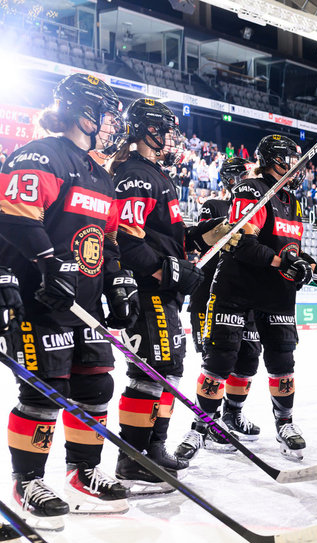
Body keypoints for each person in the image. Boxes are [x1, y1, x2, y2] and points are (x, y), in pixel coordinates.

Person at [0, 73, 132, 528]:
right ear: (85, 113)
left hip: (85, 306)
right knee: (44, 392)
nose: (113, 125)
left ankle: (83, 472)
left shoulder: (101, 175)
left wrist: (118, 282)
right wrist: (46, 263)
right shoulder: (41, 154)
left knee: (96, 388)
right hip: (42, 301)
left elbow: (108, 243)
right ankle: (28, 481)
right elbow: (14, 218)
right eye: (108, 115)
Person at [178, 134, 317, 462]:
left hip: (276, 294)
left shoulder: (292, 201)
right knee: (219, 360)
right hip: (236, 290)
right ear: (275, 160)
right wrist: (285, 263)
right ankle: (201, 427)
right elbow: (242, 244)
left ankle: (285, 423)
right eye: (292, 161)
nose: (297, 168)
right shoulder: (251, 190)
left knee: (282, 360)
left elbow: (291, 251)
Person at [110, 98, 198, 493]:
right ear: (147, 129)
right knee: (150, 372)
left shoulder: (156, 174)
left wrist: (200, 235)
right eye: (164, 129)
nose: (170, 137)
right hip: (147, 291)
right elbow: (127, 241)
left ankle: (154, 446)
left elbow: (163, 236)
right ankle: (132, 457)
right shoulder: (135, 175)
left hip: (163, 291)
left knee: (170, 369)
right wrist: (168, 271)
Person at [183, 156, 263, 448]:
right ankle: (208, 422)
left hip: (243, 296)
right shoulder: (214, 206)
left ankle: (232, 414)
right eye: (246, 175)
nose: (252, 180)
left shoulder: (260, 208)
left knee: (247, 358)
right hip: (209, 296)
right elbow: (204, 241)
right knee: (215, 361)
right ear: (232, 179)